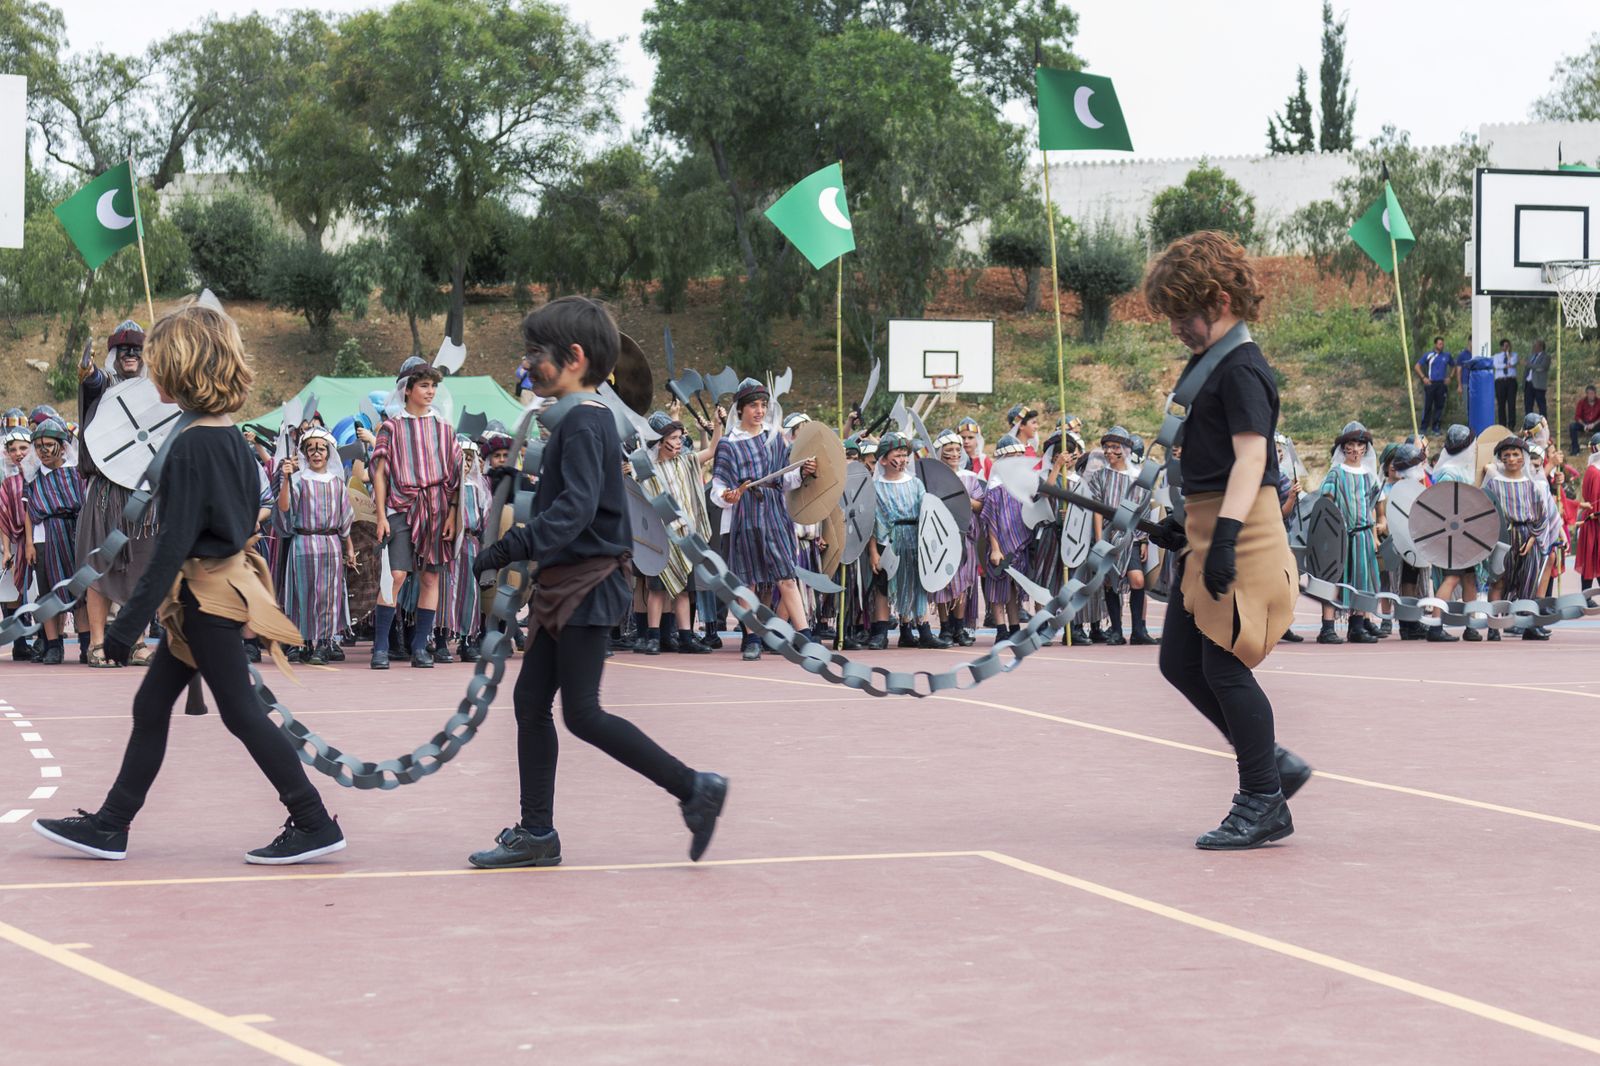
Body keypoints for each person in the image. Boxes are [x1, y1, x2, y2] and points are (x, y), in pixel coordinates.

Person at [32, 304, 344, 865]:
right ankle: (111, 824)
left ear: (182, 370)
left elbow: (172, 545)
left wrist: (125, 627)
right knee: (154, 707)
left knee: (240, 712)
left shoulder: (193, 444)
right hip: (213, 593)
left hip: (205, 600)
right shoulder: (228, 440)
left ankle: (312, 819)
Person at [466, 295, 726, 869]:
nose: (528, 363)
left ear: (574, 358)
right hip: (569, 585)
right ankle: (537, 832)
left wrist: (510, 546)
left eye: (537, 353)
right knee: (532, 702)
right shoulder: (578, 421)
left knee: (580, 712)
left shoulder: (585, 421)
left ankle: (694, 788)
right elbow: (572, 497)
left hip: (585, 585)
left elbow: (578, 510)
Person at [1141, 230, 1309, 850]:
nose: (1178, 327)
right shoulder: (1210, 362)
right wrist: (1184, 529)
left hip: (1246, 529)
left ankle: (1263, 797)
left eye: (1183, 313)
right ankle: (1272, 765)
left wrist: (1228, 539)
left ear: (1215, 296)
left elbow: (1250, 458)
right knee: (1180, 662)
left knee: (1224, 666)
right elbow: (1210, 463)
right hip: (1211, 526)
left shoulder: (1242, 367)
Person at [710, 379, 817, 661]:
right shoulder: (728, 444)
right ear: (741, 409)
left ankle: (805, 636)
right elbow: (717, 489)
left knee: (787, 577)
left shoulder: (774, 438)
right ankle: (752, 638)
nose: (759, 411)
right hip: (745, 516)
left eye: (763, 406)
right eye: (754, 406)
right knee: (748, 582)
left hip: (775, 514)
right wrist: (728, 496)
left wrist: (803, 472)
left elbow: (786, 479)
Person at [77, 323, 161, 667]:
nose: (131, 356)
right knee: (100, 565)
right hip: (105, 491)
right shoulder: (105, 385)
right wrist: (87, 367)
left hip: (143, 490)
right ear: (115, 355)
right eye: (124, 350)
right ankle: (97, 644)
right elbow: (92, 380)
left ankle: (136, 641)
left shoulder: (157, 391)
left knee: (141, 567)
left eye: (137, 350)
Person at [370, 358, 463, 669]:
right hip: (400, 507)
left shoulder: (444, 429)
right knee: (395, 575)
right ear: (407, 390)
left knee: (431, 578)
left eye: (433, 386)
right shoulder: (391, 427)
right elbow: (380, 473)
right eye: (424, 385)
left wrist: (452, 515)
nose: (430, 391)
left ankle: (420, 646)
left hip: (436, 509)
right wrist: (382, 515)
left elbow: (454, 476)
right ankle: (380, 646)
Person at [638, 408, 722, 655]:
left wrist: (717, 426)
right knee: (657, 589)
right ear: (659, 441)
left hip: (684, 536)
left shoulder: (685, 461)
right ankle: (653, 636)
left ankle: (685, 637)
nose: (679, 442)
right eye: (674, 438)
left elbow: (712, 451)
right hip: (660, 536)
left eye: (679, 437)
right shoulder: (648, 469)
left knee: (684, 589)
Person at [275, 426, 356, 666]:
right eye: (311, 449)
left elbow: (345, 520)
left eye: (321, 449)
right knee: (303, 593)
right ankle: (303, 642)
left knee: (327, 594)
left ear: (329, 452)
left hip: (330, 544)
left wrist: (349, 548)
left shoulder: (337, 484)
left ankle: (323, 643)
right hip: (303, 543)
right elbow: (284, 508)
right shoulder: (299, 481)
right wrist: (286, 479)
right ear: (306, 454)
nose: (317, 453)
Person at [867, 432, 950, 649]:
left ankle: (921, 629)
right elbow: (872, 524)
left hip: (915, 539)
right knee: (884, 587)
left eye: (905, 455)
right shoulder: (875, 487)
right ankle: (881, 632)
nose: (903, 459)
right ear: (884, 459)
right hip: (889, 541)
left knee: (917, 584)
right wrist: (873, 552)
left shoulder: (915, 484)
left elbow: (927, 511)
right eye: (898, 454)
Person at [23, 418, 85, 665]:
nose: (44, 451)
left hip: (73, 536)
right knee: (48, 593)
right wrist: (29, 543)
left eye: (49, 445)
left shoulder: (75, 472)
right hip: (43, 538)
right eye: (39, 447)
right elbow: (29, 513)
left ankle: (87, 643)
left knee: (79, 591)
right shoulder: (33, 477)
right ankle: (53, 646)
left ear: (61, 446)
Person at [1086, 426, 1154, 645]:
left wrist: (1143, 540)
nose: (1109, 452)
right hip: (1108, 536)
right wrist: (1100, 540)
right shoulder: (1100, 476)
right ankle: (1116, 630)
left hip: (1131, 537)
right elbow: (1097, 508)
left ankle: (1138, 631)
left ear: (1125, 449)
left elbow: (1143, 511)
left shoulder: (1138, 478)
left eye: (1115, 447)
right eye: (1106, 447)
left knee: (1137, 579)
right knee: (1110, 582)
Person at [1482, 436, 1554, 640]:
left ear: (1523, 458)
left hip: (1526, 536)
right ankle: (1493, 625)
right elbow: (1485, 512)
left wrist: (1533, 538)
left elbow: (1541, 515)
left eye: (1516, 454)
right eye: (1507, 455)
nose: (1512, 458)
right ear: (1501, 459)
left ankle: (1528, 624)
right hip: (1502, 537)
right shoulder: (1494, 485)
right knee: (1499, 581)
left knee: (1528, 581)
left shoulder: (1532, 485)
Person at [1316, 422, 1381, 645]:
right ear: (1344, 448)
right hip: (1339, 536)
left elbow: (1371, 507)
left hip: (1362, 535)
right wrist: (1333, 531)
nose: (1355, 449)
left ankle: (1357, 627)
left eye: (1360, 445)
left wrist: (1373, 535)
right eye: (1351, 444)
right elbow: (1327, 504)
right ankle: (1327, 628)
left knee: (1362, 580)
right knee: (1334, 579)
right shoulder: (1336, 473)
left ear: (1366, 448)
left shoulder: (1368, 476)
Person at [1429, 425, 1484, 641]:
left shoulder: (1462, 470)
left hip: (1466, 533)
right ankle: (1435, 624)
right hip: (1453, 534)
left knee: (1470, 578)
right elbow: (1446, 505)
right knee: (1451, 577)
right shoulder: (1448, 473)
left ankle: (1470, 625)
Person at [932, 428, 984, 647]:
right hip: (940, 535)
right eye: (949, 449)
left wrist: (961, 497)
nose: (953, 453)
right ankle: (945, 627)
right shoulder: (932, 476)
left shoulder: (971, 478)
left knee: (962, 583)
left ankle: (959, 626)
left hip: (965, 536)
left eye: (956, 449)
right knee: (942, 582)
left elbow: (980, 505)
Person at [981, 435, 1031, 643]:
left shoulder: (1022, 484)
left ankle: (1014, 626)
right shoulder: (995, 487)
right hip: (1000, 544)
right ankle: (1001, 628)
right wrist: (995, 548)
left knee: (1012, 587)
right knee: (998, 586)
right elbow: (990, 521)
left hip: (1018, 545)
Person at [1414, 335, 1455, 435]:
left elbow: (1454, 366)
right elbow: (1417, 366)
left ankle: (1436, 427)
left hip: (1441, 384)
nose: (1442, 345)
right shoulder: (1429, 355)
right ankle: (1423, 428)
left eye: (1442, 344)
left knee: (1439, 406)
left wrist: (1450, 377)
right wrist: (1423, 378)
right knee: (1428, 405)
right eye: (1440, 343)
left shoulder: (1447, 356)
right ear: (1435, 344)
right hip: (1431, 383)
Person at [1576, 433, 1600, 592]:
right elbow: (1594, 501)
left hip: (1595, 519)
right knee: (1592, 558)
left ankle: (1586, 596)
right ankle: (1586, 596)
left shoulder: (1594, 469)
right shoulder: (1595, 472)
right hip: (1595, 520)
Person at [1492, 338, 1519, 427]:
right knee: (1501, 404)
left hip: (1511, 381)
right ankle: (1502, 424)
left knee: (1511, 403)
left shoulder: (1514, 355)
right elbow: (1497, 366)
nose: (1507, 347)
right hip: (1500, 382)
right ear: (1501, 347)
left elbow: (1512, 362)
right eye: (1505, 346)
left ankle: (1511, 424)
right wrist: (1505, 365)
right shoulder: (1496, 356)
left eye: (1508, 345)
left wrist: (1508, 355)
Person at [1523, 338, 1551, 418]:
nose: (1533, 347)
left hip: (1538, 384)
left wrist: (1528, 364)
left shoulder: (1546, 357)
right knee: (1528, 405)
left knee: (1541, 405)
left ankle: (1543, 424)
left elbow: (1541, 368)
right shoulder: (1531, 356)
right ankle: (1529, 424)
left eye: (1535, 345)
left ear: (1540, 347)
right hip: (1528, 383)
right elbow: (1527, 368)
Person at [1570, 385, 1600, 454]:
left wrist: (1594, 424)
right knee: (1572, 426)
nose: (1591, 395)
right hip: (1584, 423)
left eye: (1593, 393)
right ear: (1586, 394)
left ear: (1595, 394)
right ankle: (1575, 449)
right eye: (1589, 394)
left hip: (1596, 423)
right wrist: (1584, 425)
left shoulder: (1599, 402)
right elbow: (1577, 417)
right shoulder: (1582, 402)